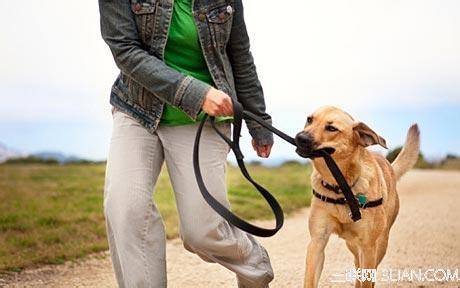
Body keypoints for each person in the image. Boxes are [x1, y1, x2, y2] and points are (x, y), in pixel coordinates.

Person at [99, 0, 274, 287]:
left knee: (202, 232)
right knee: (125, 208)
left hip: (205, 117)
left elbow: (240, 56)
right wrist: (193, 91)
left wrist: (257, 122)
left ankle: (255, 267)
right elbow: (125, 50)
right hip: (137, 108)